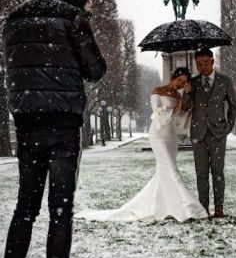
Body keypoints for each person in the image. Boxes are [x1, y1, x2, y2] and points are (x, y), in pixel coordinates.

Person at [0, 0, 107, 258]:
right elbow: (95, 69)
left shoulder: (14, 19)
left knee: (24, 207)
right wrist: (84, 22)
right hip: (62, 124)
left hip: (28, 124)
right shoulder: (72, 18)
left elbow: (19, 71)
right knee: (60, 208)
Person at [76, 67, 208, 222]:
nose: (180, 84)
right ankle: (189, 208)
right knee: (171, 169)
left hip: (171, 135)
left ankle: (164, 207)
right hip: (158, 134)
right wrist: (175, 109)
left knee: (165, 171)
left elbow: (182, 117)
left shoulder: (180, 95)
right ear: (173, 77)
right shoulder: (157, 91)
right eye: (179, 80)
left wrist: (186, 97)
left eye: (184, 82)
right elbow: (157, 113)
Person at [182, 49, 236, 218]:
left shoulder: (225, 81)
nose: (202, 66)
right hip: (198, 134)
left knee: (218, 172)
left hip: (218, 133)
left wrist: (227, 128)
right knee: (201, 173)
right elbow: (185, 108)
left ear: (212, 62)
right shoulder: (193, 83)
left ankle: (219, 207)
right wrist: (187, 92)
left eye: (205, 63)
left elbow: (233, 106)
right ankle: (203, 208)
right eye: (198, 64)